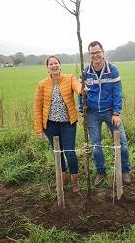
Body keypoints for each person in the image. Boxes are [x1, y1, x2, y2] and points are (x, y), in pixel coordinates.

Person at [81, 41, 131, 185]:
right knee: (96, 146)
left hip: (110, 112)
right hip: (92, 113)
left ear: (103, 52)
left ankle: (125, 171)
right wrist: (82, 110)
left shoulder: (112, 70)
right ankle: (101, 172)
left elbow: (117, 92)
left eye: (98, 52)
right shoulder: (86, 72)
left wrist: (117, 113)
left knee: (122, 143)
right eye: (92, 53)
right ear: (89, 55)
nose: (95, 55)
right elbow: (81, 93)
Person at [34, 55, 82, 193]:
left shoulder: (70, 78)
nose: (54, 65)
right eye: (51, 64)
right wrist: (39, 129)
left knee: (69, 152)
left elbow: (77, 86)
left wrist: (82, 89)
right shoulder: (42, 84)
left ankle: (75, 181)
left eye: (56, 63)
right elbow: (37, 107)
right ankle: (62, 178)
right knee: (57, 153)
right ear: (47, 68)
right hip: (50, 125)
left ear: (60, 65)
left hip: (68, 123)